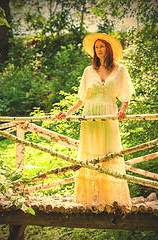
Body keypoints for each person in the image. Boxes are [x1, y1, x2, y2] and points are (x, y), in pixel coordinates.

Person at [56, 33, 135, 206]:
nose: (99, 50)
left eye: (102, 46)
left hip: (108, 112)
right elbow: (82, 98)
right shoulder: (88, 71)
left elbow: (125, 95)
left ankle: (110, 198)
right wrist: (67, 113)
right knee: (90, 152)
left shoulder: (120, 70)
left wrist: (123, 110)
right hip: (90, 113)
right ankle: (90, 197)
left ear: (108, 48)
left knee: (109, 152)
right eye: (96, 47)